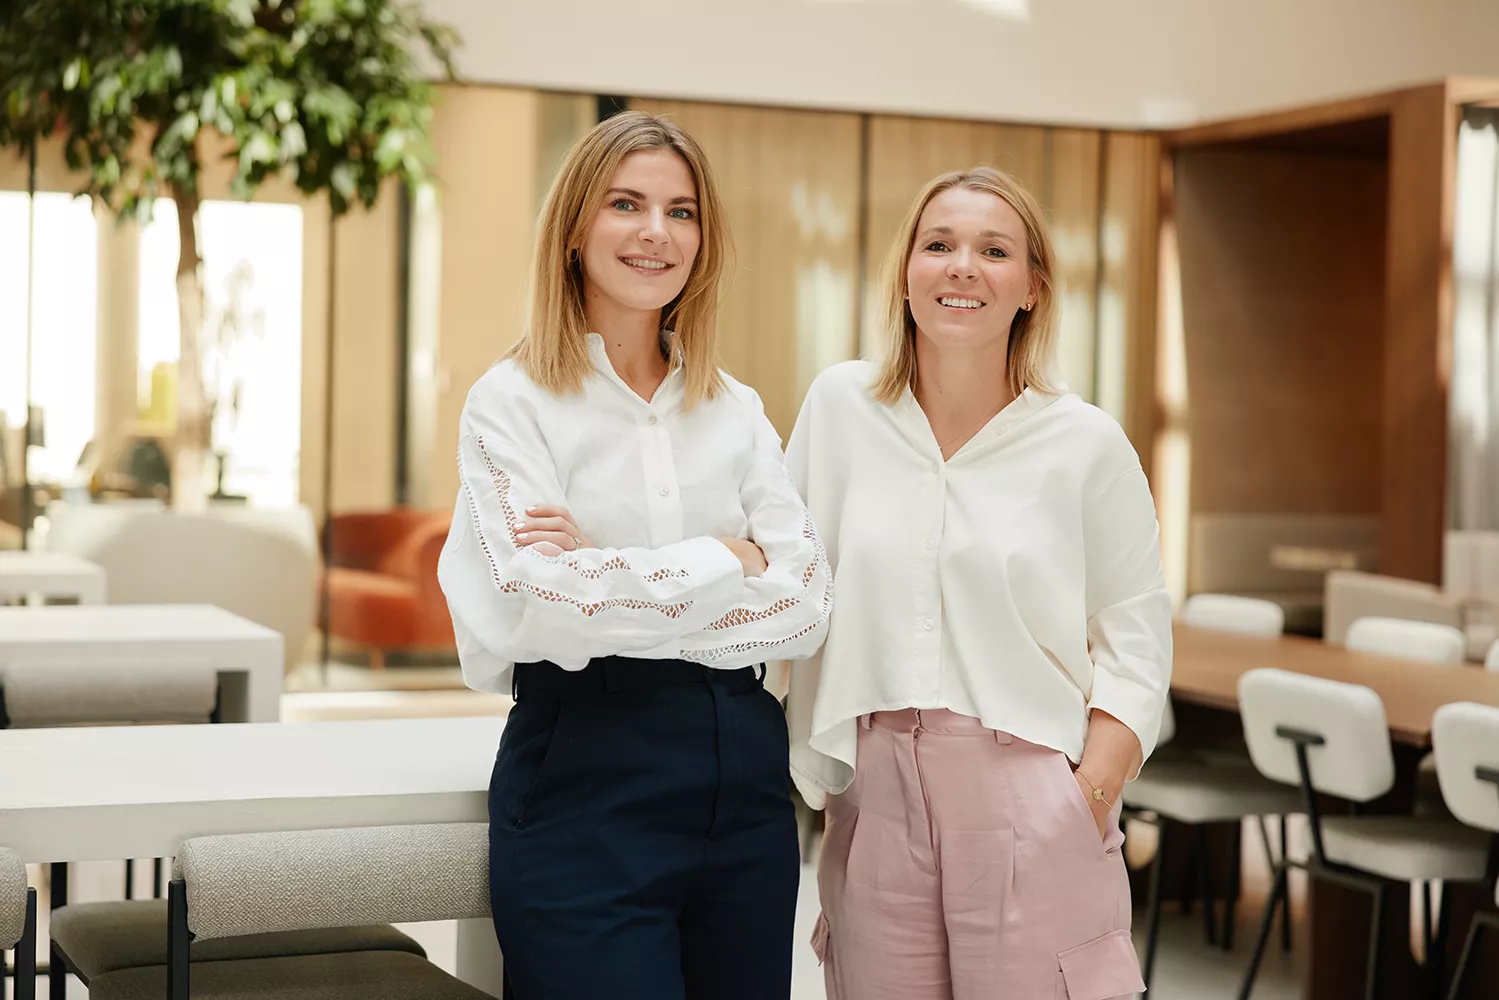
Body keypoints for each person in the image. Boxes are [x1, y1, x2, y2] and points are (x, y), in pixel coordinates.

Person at [437, 111, 831, 1000]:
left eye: (680, 212)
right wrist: (725, 556)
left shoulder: (734, 408)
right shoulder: (511, 401)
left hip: (745, 779)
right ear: (574, 229)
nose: (656, 231)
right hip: (585, 769)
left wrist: (605, 572)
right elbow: (534, 603)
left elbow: (806, 604)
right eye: (625, 204)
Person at [786, 166, 1171, 999]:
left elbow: (1135, 643)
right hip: (875, 794)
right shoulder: (839, 409)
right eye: (938, 245)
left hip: (1031, 795)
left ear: (1032, 288)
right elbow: (785, 574)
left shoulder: (1085, 443)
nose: (962, 266)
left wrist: (1087, 796)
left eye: (993, 251)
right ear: (905, 274)